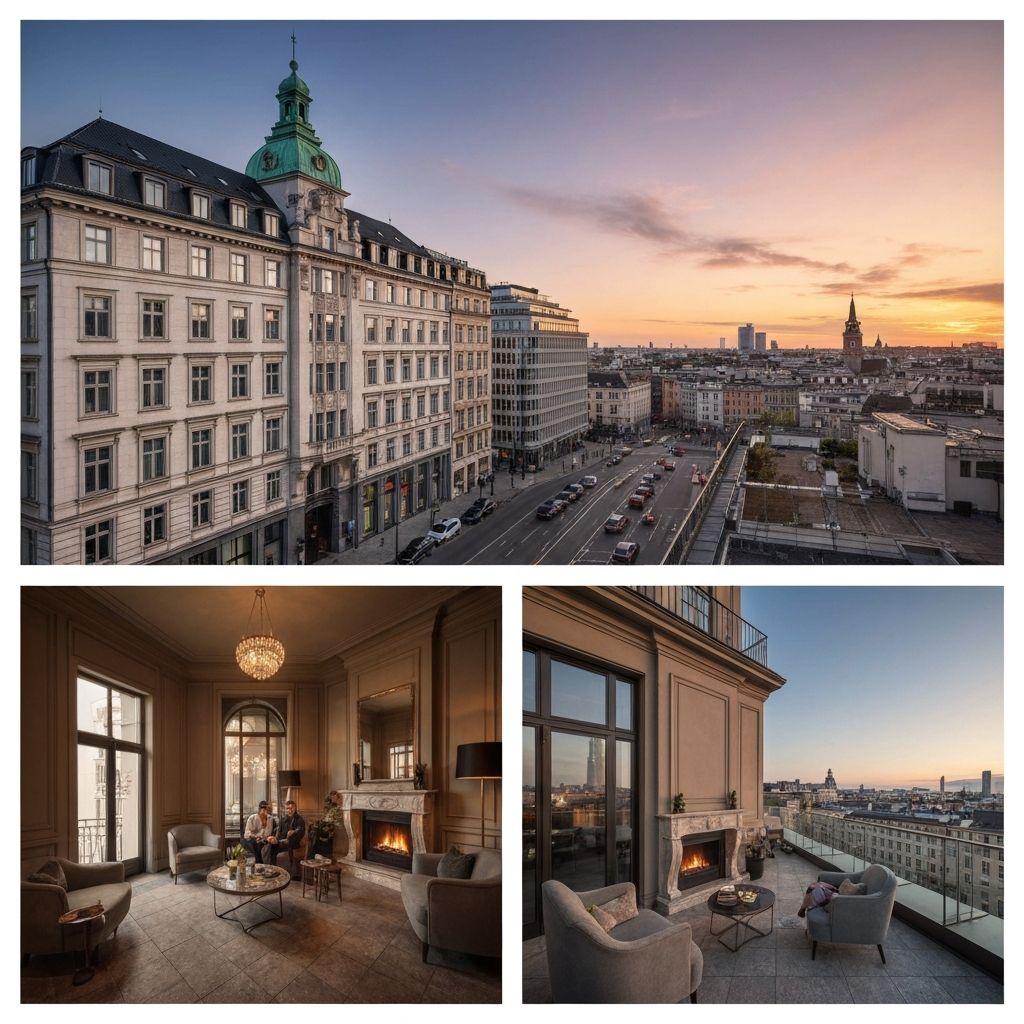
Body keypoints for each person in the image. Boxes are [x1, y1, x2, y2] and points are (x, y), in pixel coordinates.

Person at [265, 800, 306, 876]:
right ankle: (272, 869)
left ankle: (291, 872)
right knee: (271, 845)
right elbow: (279, 833)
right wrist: (275, 839)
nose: (289, 810)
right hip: (283, 842)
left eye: (291, 808)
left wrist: (294, 832)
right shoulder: (283, 819)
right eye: (288, 808)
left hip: (294, 843)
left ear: (295, 808)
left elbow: (301, 831)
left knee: (289, 841)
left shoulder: (300, 819)